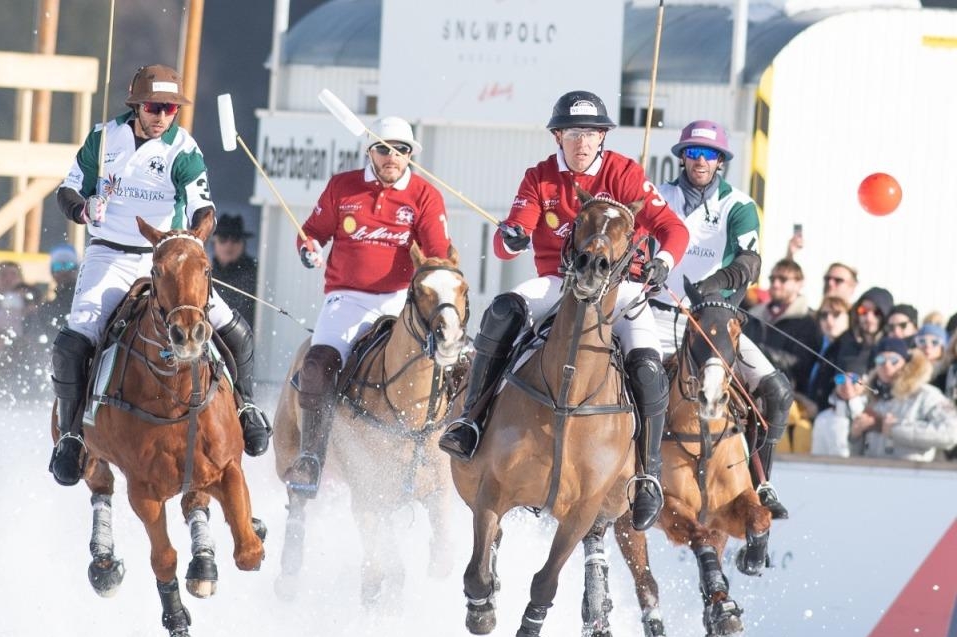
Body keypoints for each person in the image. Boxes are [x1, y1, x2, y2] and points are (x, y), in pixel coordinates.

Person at [438, 91, 689, 531]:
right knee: (502, 311)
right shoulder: (539, 177)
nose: (583, 143)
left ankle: (647, 476)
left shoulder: (624, 173)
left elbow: (673, 228)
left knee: (648, 368)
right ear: (558, 136)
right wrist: (512, 238)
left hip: (619, 289)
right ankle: (470, 422)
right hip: (559, 284)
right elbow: (509, 238)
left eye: (591, 134)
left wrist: (663, 261)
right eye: (574, 134)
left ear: (602, 137)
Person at [48, 64, 271, 487]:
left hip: (165, 257)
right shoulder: (104, 137)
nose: (162, 116)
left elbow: (201, 204)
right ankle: (73, 434)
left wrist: (198, 232)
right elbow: (67, 189)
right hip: (109, 255)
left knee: (233, 329)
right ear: (137, 105)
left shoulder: (182, 149)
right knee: (75, 339)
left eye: (170, 108)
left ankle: (246, 407)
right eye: (154, 107)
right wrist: (83, 209)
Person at [284, 116, 452, 498]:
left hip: (400, 301)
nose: (392, 156)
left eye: (401, 150)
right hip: (347, 298)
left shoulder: (424, 195)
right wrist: (308, 249)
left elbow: (438, 254)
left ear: (411, 155)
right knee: (317, 364)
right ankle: (311, 457)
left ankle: (439, 450)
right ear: (369, 150)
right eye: (384, 148)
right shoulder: (343, 187)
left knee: (445, 361)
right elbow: (312, 232)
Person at [650, 120, 792, 519]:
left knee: (776, 392)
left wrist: (713, 286)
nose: (700, 161)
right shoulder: (659, 196)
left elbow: (750, 262)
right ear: (682, 157)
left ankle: (761, 483)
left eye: (709, 155)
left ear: (721, 162)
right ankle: (632, 476)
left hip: (713, 324)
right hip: (657, 316)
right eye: (693, 153)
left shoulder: (739, 206)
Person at [849, 337, 957, 462]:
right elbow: (856, 455)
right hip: (875, 475)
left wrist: (893, 428)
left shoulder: (926, 395)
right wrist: (855, 436)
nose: (887, 365)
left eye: (894, 360)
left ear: (906, 363)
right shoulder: (870, 398)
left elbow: (951, 433)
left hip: (915, 475)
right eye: (881, 360)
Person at [810, 286, 893, 412]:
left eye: (876, 313)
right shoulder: (845, 341)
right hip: (833, 412)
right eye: (863, 311)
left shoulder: (890, 348)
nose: (869, 318)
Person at [745, 259, 821, 394]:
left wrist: (760, 352)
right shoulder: (753, 316)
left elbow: (800, 362)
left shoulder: (808, 321)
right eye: (772, 279)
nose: (775, 284)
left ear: (799, 283)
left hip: (787, 395)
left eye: (783, 279)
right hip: (747, 388)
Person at [211, 214, 258, 326]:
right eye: (223, 239)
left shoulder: (256, 274)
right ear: (214, 243)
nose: (229, 245)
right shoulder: (204, 274)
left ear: (243, 244)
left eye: (235, 239)